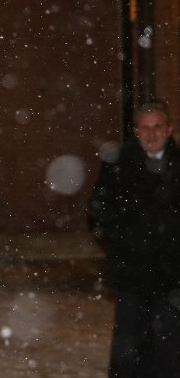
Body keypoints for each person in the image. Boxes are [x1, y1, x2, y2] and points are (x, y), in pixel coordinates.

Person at [89, 101, 180, 377]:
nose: (151, 135)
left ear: (169, 129)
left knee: (169, 347)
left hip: (174, 277)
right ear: (136, 131)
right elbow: (99, 211)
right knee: (130, 346)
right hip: (134, 274)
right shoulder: (119, 165)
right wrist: (122, 245)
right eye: (145, 128)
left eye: (157, 127)